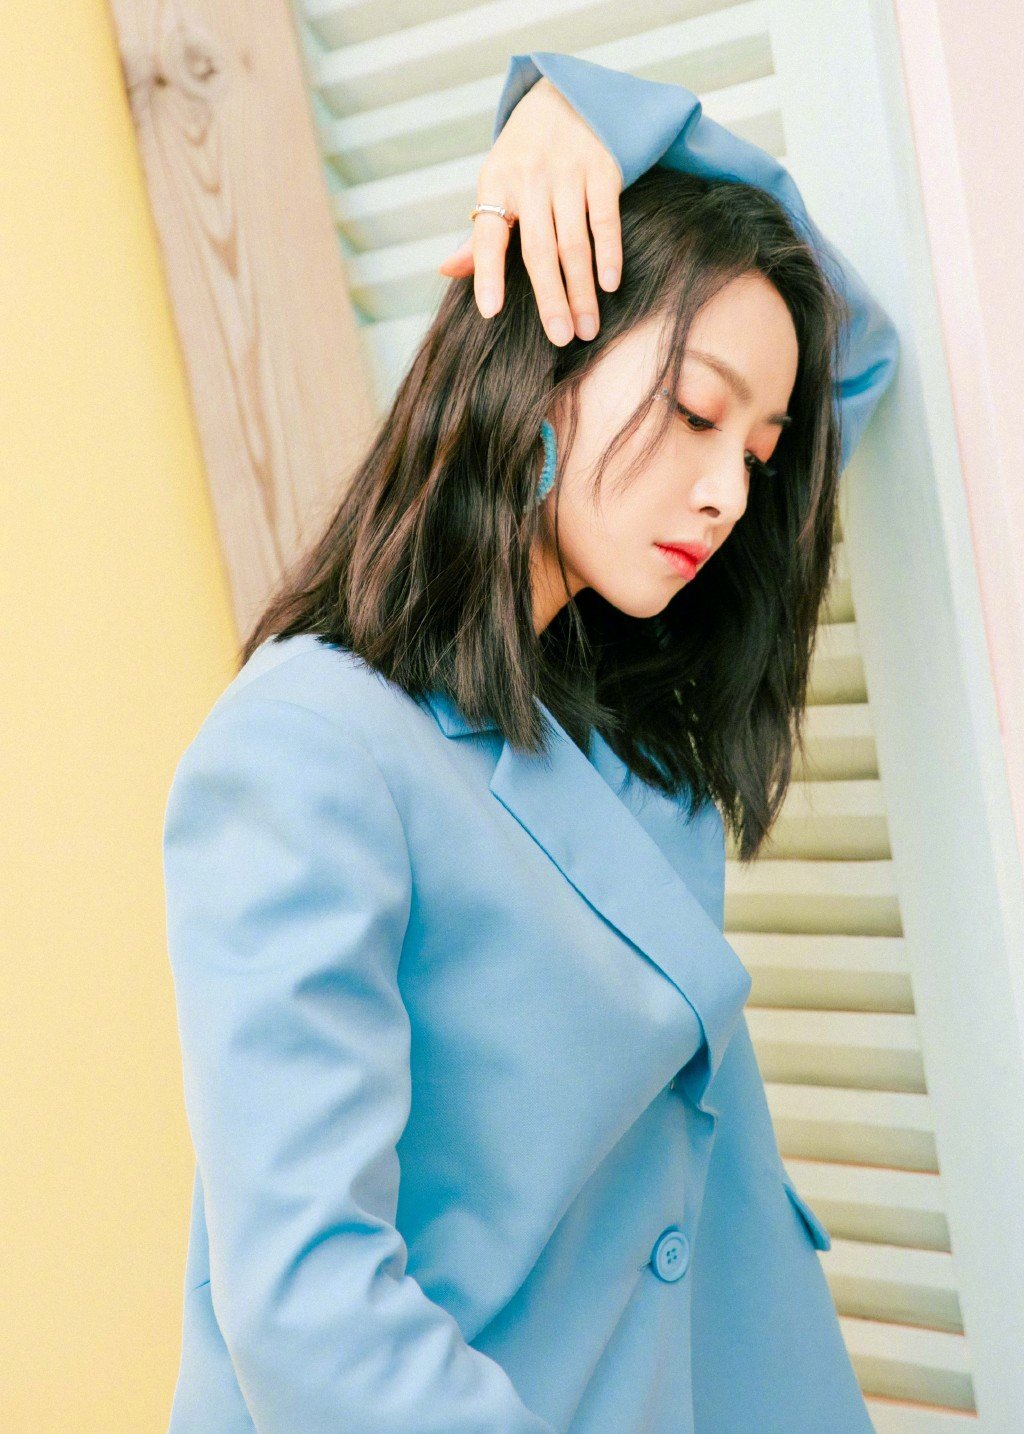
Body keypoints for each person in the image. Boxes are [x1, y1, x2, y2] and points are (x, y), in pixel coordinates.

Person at [162, 50, 899, 1434]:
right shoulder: (311, 748)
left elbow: (851, 346)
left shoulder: (628, 711)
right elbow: (311, 1308)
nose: (728, 492)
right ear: (540, 349)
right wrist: (572, 135)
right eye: (695, 413)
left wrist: (597, 121)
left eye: (754, 452)